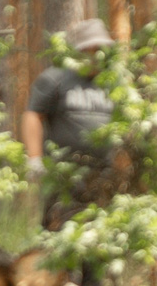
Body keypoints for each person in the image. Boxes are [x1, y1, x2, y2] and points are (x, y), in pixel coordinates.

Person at [23, 19, 120, 236]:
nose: (95, 54)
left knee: (99, 234)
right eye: (89, 48)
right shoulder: (56, 78)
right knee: (59, 228)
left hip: (103, 173)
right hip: (64, 173)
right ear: (77, 50)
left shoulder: (112, 82)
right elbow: (33, 115)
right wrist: (35, 158)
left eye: (100, 48)